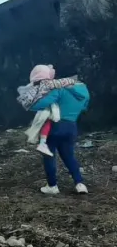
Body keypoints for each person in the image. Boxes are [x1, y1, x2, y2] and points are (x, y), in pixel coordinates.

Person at [25, 64, 91, 196]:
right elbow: (84, 107)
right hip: (71, 127)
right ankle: (79, 183)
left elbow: (39, 105)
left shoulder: (59, 89)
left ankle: (52, 186)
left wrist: (29, 102)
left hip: (54, 127)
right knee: (69, 156)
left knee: (49, 156)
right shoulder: (84, 90)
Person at [16, 65, 80, 157]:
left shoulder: (33, 85)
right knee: (49, 120)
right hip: (45, 104)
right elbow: (60, 82)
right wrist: (73, 80)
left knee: (42, 120)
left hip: (36, 105)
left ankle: (41, 142)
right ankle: (42, 143)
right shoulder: (47, 83)